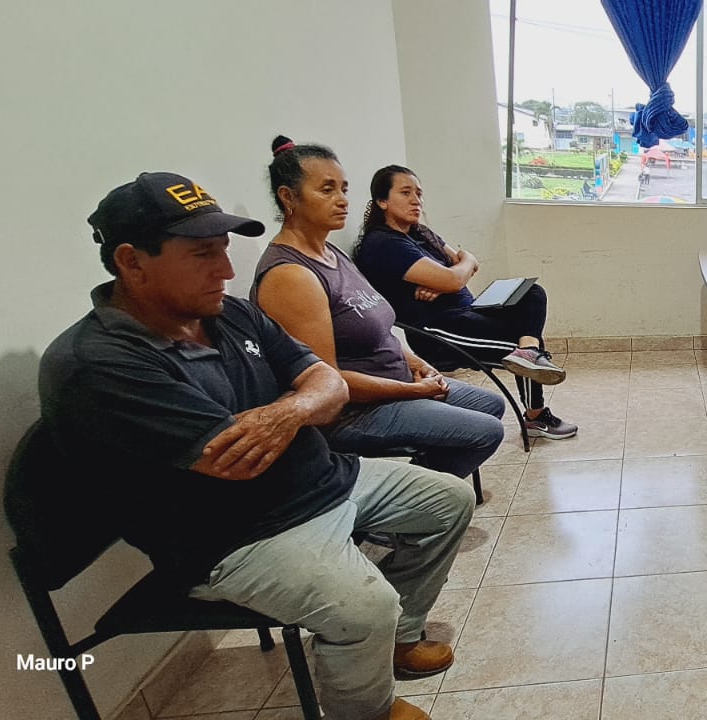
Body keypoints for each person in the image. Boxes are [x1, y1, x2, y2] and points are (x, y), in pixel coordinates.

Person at [41, 171, 466, 720]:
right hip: (237, 535)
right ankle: (368, 710)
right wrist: (304, 403)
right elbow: (236, 462)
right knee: (365, 607)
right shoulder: (100, 365)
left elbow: (329, 383)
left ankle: (398, 640)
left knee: (449, 501)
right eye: (202, 254)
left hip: (322, 479)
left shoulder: (229, 312)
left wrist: (286, 411)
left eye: (224, 249)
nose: (226, 270)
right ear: (132, 262)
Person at [249, 137, 516, 477]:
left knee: (489, 404)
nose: (342, 200)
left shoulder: (333, 254)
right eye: (327, 190)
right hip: (354, 412)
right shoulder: (291, 276)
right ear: (288, 197)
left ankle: (428, 482)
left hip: (396, 381)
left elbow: (378, 327)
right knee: (485, 432)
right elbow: (327, 382)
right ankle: (414, 497)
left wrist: (419, 364)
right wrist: (413, 391)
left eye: (344, 189)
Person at [351, 164, 578, 440]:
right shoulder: (384, 244)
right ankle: (535, 410)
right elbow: (455, 277)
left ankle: (529, 353)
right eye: (405, 193)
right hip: (439, 330)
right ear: (382, 201)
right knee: (515, 346)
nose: (416, 200)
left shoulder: (419, 233)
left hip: (467, 313)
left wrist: (447, 279)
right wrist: (448, 279)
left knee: (531, 293)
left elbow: (468, 261)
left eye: (419, 194)